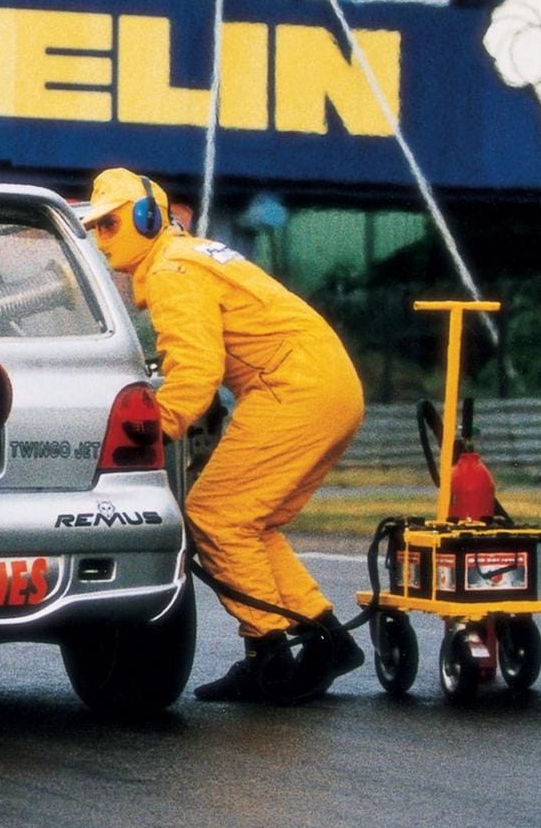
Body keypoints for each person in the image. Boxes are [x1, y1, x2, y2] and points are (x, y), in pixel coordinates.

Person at [80, 167, 365, 704]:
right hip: (327, 385)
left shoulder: (171, 271)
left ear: (147, 217)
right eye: (97, 227)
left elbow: (194, 372)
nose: (103, 238)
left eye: (112, 224)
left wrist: (148, 428)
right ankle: (326, 638)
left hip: (295, 388)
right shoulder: (189, 257)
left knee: (216, 515)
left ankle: (268, 654)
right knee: (251, 522)